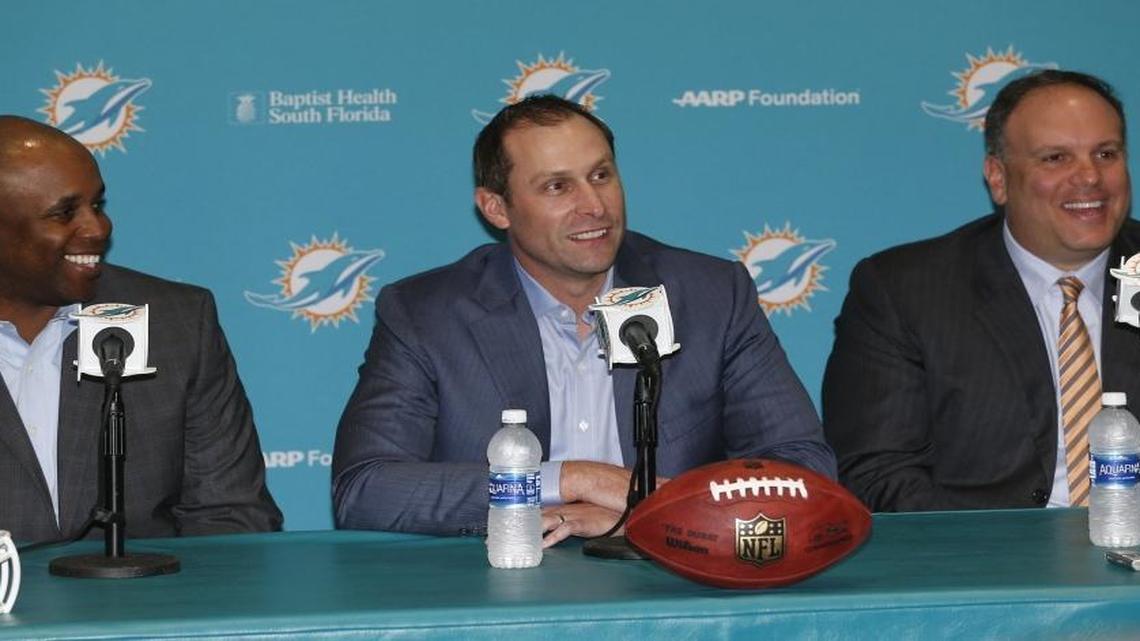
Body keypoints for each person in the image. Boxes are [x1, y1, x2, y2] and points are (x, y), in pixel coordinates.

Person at [333, 95, 835, 544]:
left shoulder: (710, 296)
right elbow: (365, 488)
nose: (593, 206)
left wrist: (648, 513)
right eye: (557, 187)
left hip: (669, 581)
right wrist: (568, 480)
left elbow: (802, 469)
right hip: (498, 586)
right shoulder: (426, 313)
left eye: (601, 175)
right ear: (496, 208)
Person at [822, 69, 1137, 512]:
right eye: (1055, 158)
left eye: (1106, 153)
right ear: (998, 178)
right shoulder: (904, 291)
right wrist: (1005, 557)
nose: (1089, 177)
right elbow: (876, 471)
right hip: (988, 562)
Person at [0, 116, 282, 542]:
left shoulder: (175, 322)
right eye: (64, 213)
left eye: (97, 205)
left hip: (142, 604)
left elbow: (230, 519)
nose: (98, 229)